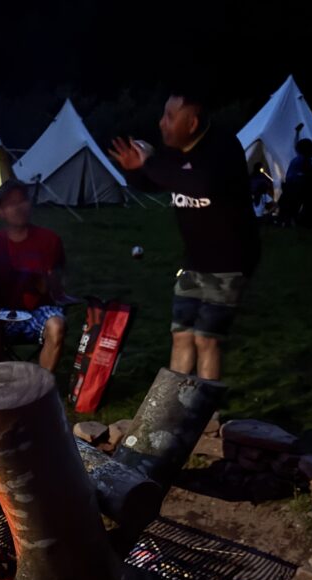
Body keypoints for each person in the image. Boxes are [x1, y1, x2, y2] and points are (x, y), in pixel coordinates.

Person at [109, 90, 260, 382]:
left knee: (207, 338)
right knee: (181, 334)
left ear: (191, 123)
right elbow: (154, 181)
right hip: (194, 261)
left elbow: (200, 183)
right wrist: (134, 168)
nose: (161, 123)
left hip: (230, 261)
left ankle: (205, 415)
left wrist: (150, 164)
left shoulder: (222, 148)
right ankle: (172, 407)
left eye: (170, 116)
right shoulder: (175, 152)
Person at [0, 179, 67, 372]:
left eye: (22, 201)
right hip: (2, 311)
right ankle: (2, 380)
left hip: (38, 311)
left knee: (57, 325)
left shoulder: (49, 240)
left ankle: (40, 386)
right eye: (10, 204)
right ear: (0, 212)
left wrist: (47, 281)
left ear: (29, 204)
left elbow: (56, 288)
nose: (18, 208)